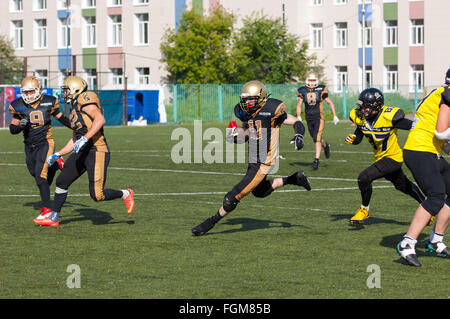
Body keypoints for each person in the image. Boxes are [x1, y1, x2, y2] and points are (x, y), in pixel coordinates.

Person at [191, 80, 311, 236]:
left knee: (232, 196)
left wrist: (299, 135)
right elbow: (248, 129)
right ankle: (295, 178)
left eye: (251, 98)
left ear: (261, 97)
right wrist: (238, 135)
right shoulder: (245, 112)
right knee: (260, 192)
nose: (247, 102)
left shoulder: (272, 109)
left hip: (263, 163)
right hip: (254, 159)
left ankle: (209, 223)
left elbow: (295, 121)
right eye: (245, 98)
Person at [33, 76, 135, 227]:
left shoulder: (85, 98)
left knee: (97, 195)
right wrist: (58, 154)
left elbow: (100, 120)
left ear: (76, 89)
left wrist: (85, 138)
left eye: (66, 90)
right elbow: (75, 139)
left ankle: (125, 193)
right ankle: (53, 217)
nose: (65, 93)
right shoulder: (75, 108)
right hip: (83, 151)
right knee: (62, 181)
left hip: (96, 150)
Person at [345, 88, 425, 226]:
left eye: (366, 106)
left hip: (393, 158)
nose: (363, 109)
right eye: (362, 106)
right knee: (402, 186)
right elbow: (359, 133)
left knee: (364, 178)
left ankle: (364, 210)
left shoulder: (389, 117)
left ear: (377, 106)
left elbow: (411, 125)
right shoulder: (361, 118)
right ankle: (427, 207)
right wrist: (354, 139)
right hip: (381, 158)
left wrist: (427, 125)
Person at [397, 68, 450, 267]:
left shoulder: (441, 93)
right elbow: (442, 132)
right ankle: (407, 243)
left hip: (429, 150)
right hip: (420, 151)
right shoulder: (447, 95)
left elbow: (439, 136)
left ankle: (435, 240)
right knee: (436, 195)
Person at [9, 76, 71, 218]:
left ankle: (47, 210)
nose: (28, 95)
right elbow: (13, 129)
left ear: (38, 90)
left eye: (31, 92)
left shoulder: (49, 101)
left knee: (40, 177)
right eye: (26, 92)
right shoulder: (18, 105)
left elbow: (61, 117)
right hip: (29, 145)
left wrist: (75, 127)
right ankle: (55, 165)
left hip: (45, 142)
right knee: (34, 173)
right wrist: (20, 127)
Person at [296, 71, 339, 170]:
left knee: (317, 138)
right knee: (316, 138)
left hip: (319, 117)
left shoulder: (321, 89)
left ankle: (316, 161)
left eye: (313, 80)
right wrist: (298, 115)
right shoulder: (302, 90)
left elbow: (329, 102)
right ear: (307, 81)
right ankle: (326, 146)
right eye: (310, 80)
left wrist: (335, 115)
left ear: (317, 81)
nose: (311, 83)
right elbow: (299, 104)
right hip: (308, 118)